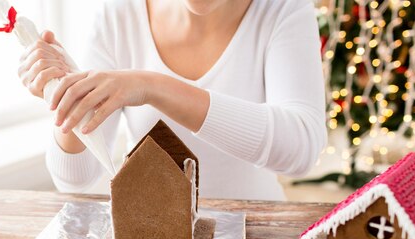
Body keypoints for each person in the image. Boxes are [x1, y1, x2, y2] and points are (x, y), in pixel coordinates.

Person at [18, 0, 326, 200]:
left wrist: (153, 86)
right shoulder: (119, 15)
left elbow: (301, 150)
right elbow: (76, 179)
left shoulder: (283, 9)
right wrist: (68, 95)